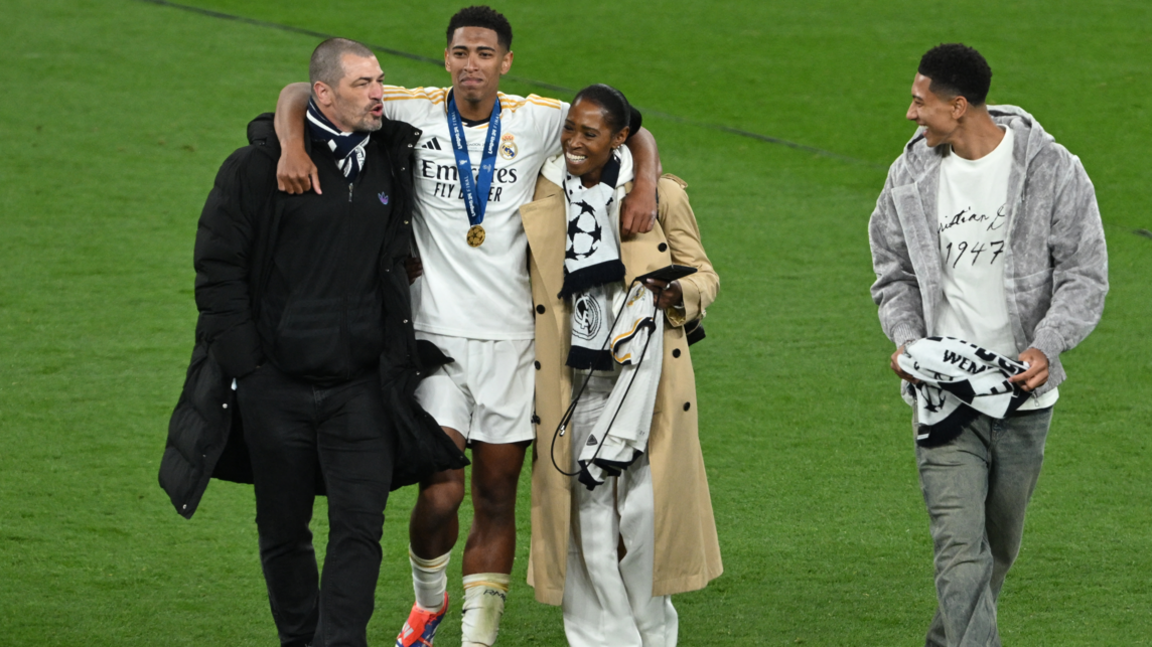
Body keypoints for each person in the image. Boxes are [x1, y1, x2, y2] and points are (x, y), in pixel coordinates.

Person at [272, 7, 662, 647]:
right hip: (433, 343)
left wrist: (643, 183)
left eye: (485, 53)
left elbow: (631, 126)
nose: (471, 64)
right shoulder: (412, 110)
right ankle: (429, 605)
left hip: (515, 345)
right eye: (460, 52)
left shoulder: (536, 118)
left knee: (496, 495)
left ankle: (475, 642)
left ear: (505, 62)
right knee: (441, 491)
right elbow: (296, 92)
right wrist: (291, 145)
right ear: (446, 58)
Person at [159, 38, 446, 647]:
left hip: (361, 388)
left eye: (380, 81)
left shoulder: (392, 156)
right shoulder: (258, 168)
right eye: (364, 84)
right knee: (283, 532)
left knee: (360, 529)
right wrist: (250, 370)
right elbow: (217, 271)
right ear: (324, 93)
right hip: (276, 387)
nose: (380, 95)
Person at [868, 43, 1108, 646]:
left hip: (1023, 403)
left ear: (958, 105)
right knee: (959, 550)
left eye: (920, 102)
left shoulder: (1052, 169)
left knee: (996, 549)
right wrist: (906, 341)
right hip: (944, 400)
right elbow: (891, 275)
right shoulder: (909, 178)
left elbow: (1084, 274)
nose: (910, 114)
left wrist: (1047, 347)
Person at [521, 84, 722, 646]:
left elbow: (704, 274)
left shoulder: (659, 197)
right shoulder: (544, 185)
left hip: (644, 380)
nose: (574, 143)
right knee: (582, 522)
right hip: (570, 378)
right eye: (570, 130)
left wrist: (675, 296)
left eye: (590, 133)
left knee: (643, 519)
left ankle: (651, 637)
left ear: (619, 139)